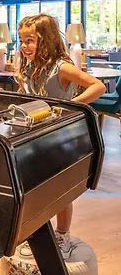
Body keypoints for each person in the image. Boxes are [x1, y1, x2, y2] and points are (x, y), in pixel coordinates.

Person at [17, 13, 105, 258]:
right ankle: (38, 231)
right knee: (37, 187)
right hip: (37, 136)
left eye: (30, 40)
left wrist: (69, 106)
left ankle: (63, 234)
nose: (24, 46)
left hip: (61, 138)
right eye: (22, 41)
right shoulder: (30, 67)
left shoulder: (62, 67)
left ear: (46, 39)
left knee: (60, 190)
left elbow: (97, 86)